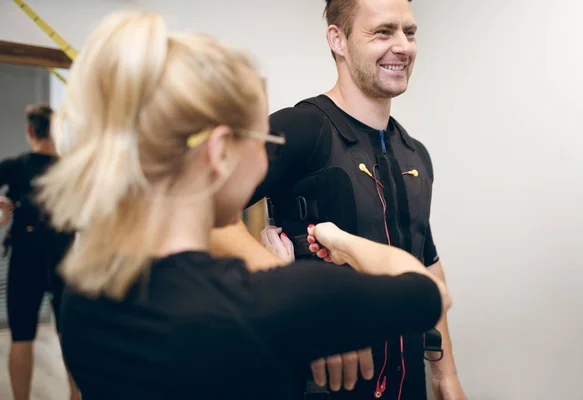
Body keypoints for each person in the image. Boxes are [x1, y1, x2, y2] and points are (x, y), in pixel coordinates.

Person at [34, 10, 451, 400]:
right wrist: (338, 240)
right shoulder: (271, 303)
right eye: (262, 141)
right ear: (219, 154)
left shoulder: (83, 294)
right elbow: (428, 293)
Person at [210, 0, 467, 399]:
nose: (403, 46)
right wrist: (296, 290)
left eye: (409, 32)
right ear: (338, 39)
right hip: (321, 384)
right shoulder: (300, 128)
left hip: (406, 383)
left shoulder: (414, 153)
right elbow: (204, 215)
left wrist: (445, 378)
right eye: (383, 32)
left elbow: (427, 264)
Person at [0, 103, 79, 400]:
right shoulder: (72, 170)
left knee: (21, 336)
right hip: (65, 259)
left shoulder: (16, 167)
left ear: (30, 130)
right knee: (69, 337)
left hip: (26, 260)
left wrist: (4, 213)